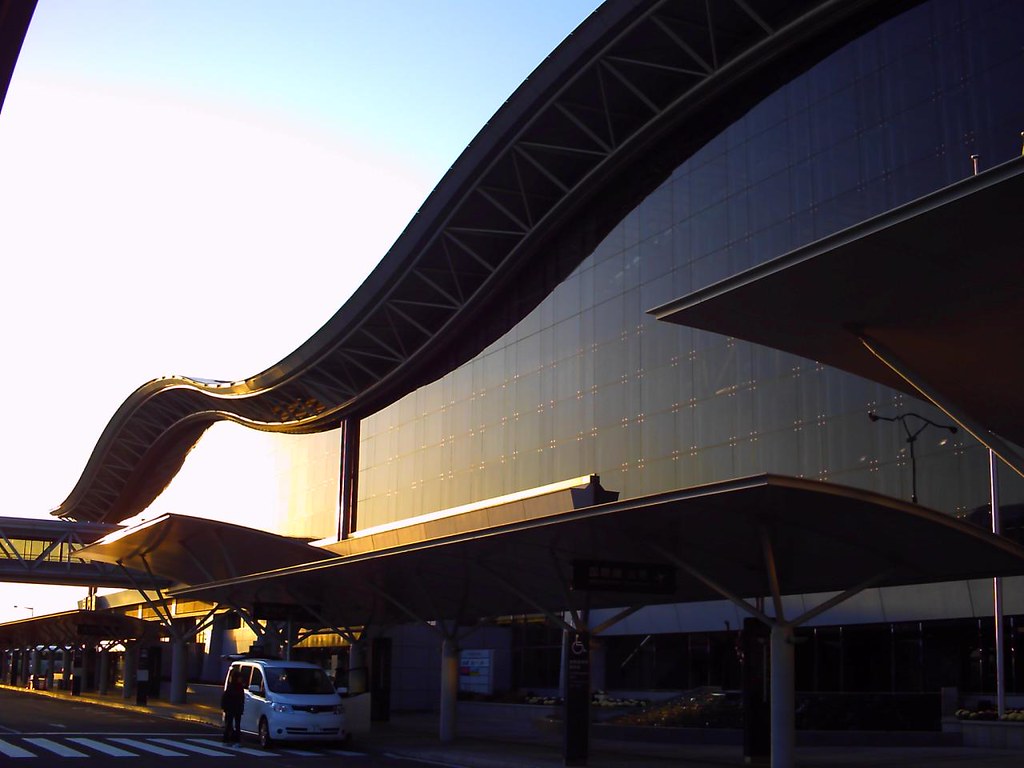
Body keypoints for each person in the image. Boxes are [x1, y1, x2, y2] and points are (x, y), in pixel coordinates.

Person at [221, 670, 245, 743]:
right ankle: (227, 738)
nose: (240, 679)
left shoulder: (240, 687)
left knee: (237, 725)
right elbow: (225, 698)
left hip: (237, 708)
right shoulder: (231, 687)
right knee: (229, 724)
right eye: (239, 677)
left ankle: (236, 738)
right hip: (230, 708)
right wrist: (225, 707)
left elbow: (241, 698)